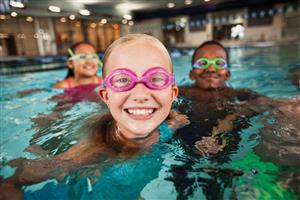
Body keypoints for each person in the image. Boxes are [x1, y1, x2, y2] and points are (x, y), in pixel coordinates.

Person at [0, 34, 189, 200]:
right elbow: (11, 182)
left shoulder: (168, 125)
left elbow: (176, 121)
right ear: (106, 96)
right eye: (123, 80)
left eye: (156, 79)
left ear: (172, 94)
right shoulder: (92, 150)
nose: (140, 94)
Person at [168, 40, 300, 199]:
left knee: (224, 192)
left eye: (219, 63)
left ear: (227, 73)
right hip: (185, 151)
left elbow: (269, 103)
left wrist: (233, 117)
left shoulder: (238, 94)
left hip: (225, 153)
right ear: (191, 73)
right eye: (202, 63)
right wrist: (172, 113)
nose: (211, 68)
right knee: (184, 193)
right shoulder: (179, 93)